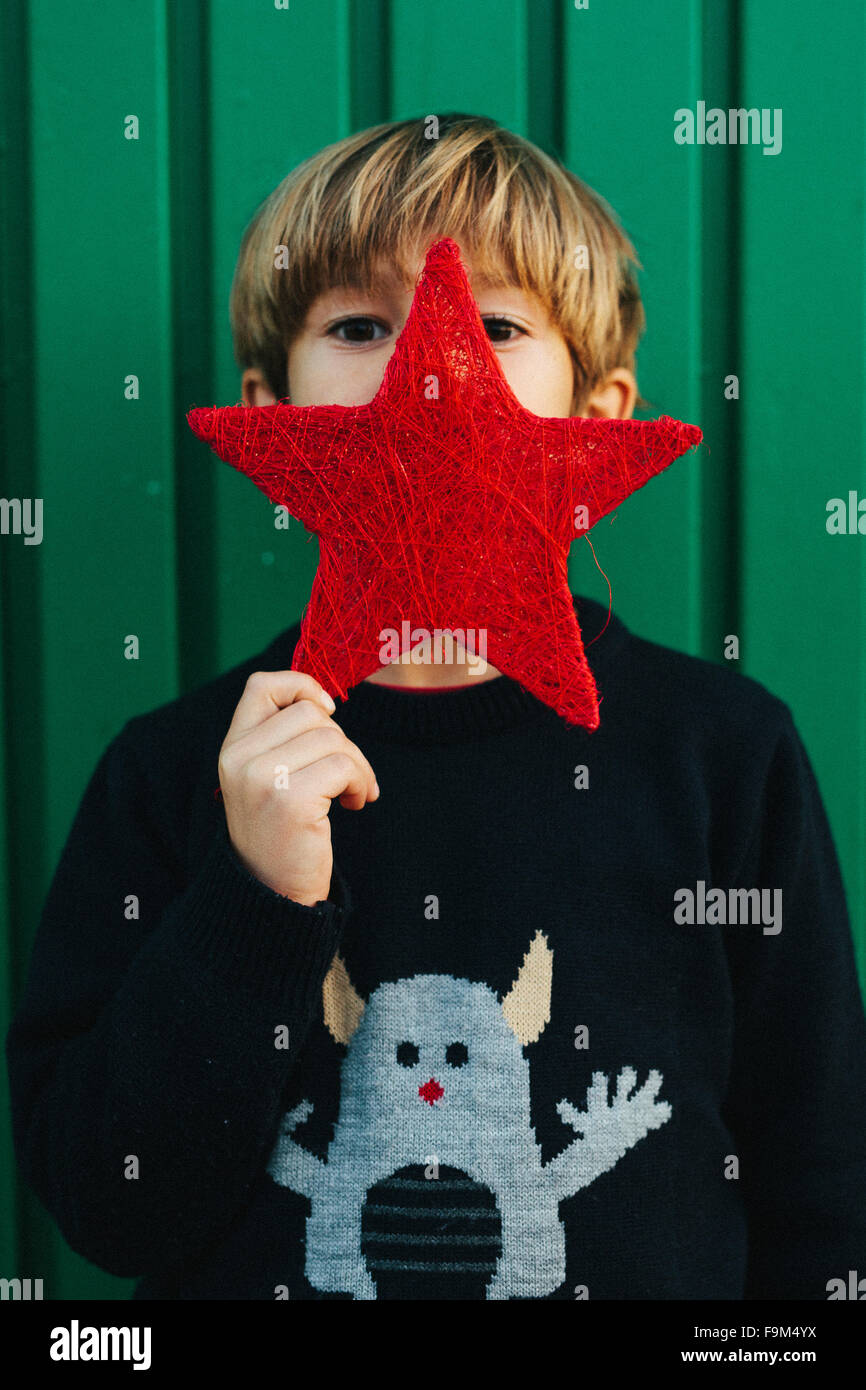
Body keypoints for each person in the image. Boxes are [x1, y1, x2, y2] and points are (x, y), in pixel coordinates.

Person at [6, 114, 866, 1300]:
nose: (433, 366)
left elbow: (820, 1176)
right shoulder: (174, 772)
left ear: (597, 418)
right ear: (274, 413)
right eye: (359, 326)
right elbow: (112, 1206)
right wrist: (251, 900)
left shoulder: (724, 754)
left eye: (498, 323)